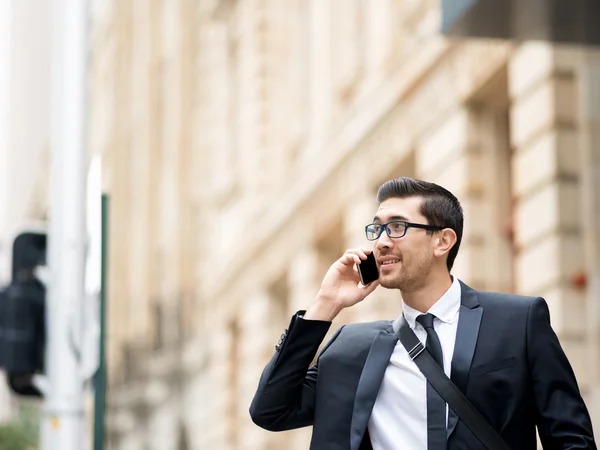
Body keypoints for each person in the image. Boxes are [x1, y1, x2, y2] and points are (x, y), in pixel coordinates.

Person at [249, 177, 597, 450]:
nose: (382, 241)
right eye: (377, 229)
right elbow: (270, 409)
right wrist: (324, 305)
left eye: (397, 227)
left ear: (442, 241)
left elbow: (571, 440)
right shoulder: (352, 347)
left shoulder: (518, 321)